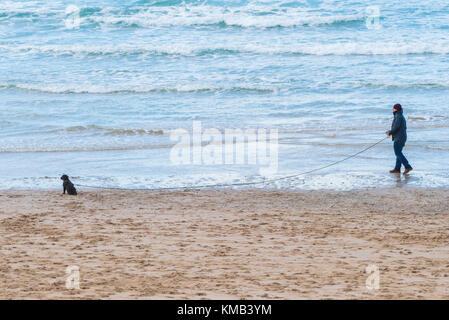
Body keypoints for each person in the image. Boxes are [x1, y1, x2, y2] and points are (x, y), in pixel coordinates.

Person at [386, 104, 413, 174]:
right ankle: (397, 169)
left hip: (399, 138)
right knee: (398, 153)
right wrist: (390, 132)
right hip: (401, 137)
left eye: (393, 108)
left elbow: (396, 128)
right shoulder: (399, 115)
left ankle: (407, 166)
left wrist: (390, 132)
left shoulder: (398, 116)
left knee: (397, 153)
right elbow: (397, 128)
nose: (392, 109)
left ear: (396, 109)